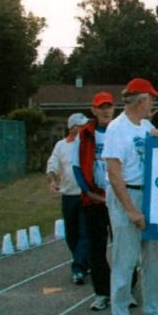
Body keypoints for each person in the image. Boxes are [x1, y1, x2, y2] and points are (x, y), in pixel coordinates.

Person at [103, 78, 158, 315]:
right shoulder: (116, 129)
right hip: (128, 194)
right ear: (141, 100)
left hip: (151, 195)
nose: (153, 104)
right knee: (125, 260)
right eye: (151, 99)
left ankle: (155, 313)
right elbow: (114, 173)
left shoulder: (146, 126)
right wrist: (131, 209)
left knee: (156, 260)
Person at [72, 92, 116, 311]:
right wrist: (89, 192)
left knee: (123, 248)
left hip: (119, 197)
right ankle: (102, 292)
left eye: (109, 106)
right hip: (94, 199)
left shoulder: (120, 131)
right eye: (101, 107)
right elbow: (76, 166)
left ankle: (125, 290)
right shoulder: (85, 134)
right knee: (96, 249)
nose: (106, 110)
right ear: (94, 110)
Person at [46, 112, 89, 284]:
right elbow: (53, 164)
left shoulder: (88, 144)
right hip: (68, 196)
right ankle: (84, 262)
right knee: (72, 234)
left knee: (85, 233)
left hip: (86, 195)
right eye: (81, 126)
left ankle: (78, 267)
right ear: (72, 128)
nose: (84, 129)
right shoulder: (61, 146)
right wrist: (52, 179)